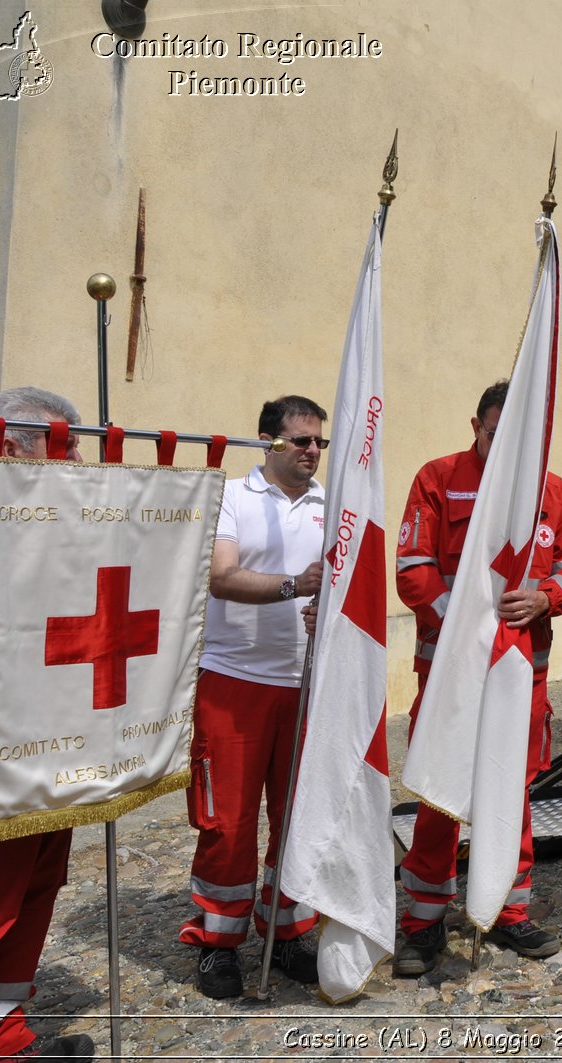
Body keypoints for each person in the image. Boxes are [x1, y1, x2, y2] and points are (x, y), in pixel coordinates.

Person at [393, 381, 562, 975]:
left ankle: (507, 912)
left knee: (514, 793)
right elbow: (412, 569)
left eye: (516, 436)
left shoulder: (550, 489)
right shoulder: (437, 478)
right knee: (439, 794)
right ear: (473, 424)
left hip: (521, 675)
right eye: (491, 431)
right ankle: (423, 923)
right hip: (451, 675)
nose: (502, 444)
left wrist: (545, 598)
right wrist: (468, 625)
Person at [178, 396, 327, 999]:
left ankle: (286, 932)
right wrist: (295, 586)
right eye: (299, 441)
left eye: (317, 440)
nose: (311, 450)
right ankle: (218, 944)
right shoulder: (233, 498)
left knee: (296, 819)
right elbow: (220, 575)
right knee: (228, 823)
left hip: (305, 683)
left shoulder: (333, 502)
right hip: (235, 680)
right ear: (268, 442)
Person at [0, 387, 96, 1062]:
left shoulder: (72, 526)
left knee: (36, 886)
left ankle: (2, 1033)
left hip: (55, 744)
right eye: (65, 441)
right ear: (10, 444)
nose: (79, 454)